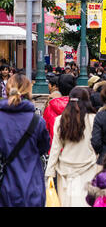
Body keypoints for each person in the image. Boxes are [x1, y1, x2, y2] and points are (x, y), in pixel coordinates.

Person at [0, 74, 50, 207]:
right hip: (31, 186)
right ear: (29, 91)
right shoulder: (37, 121)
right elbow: (44, 148)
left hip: (5, 186)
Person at [45, 87, 98, 207]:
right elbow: (97, 144)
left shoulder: (60, 120)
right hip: (88, 166)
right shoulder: (93, 119)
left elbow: (55, 149)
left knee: (67, 202)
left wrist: (50, 173)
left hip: (65, 170)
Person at [43, 73, 76, 151]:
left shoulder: (50, 107)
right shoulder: (80, 107)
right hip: (76, 153)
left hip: (55, 151)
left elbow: (44, 131)